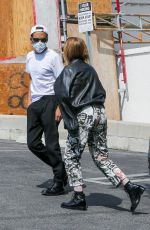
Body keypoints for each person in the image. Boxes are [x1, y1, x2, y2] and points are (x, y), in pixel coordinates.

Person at [54, 37, 145, 212]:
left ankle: (79, 197)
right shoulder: (90, 70)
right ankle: (130, 187)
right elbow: (100, 92)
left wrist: (71, 123)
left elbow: (62, 95)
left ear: (67, 52)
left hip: (83, 115)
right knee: (101, 157)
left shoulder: (67, 71)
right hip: (100, 112)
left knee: (71, 156)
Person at [26, 24, 67, 196]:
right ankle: (61, 169)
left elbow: (61, 82)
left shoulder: (53, 57)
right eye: (37, 40)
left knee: (51, 144)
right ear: (31, 40)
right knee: (33, 143)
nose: (40, 43)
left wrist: (59, 108)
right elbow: (31, 78)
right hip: (35, 103)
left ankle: (58, 182)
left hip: (51, 101)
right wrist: (29, 100)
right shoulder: (29, 56)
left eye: (43, 39)